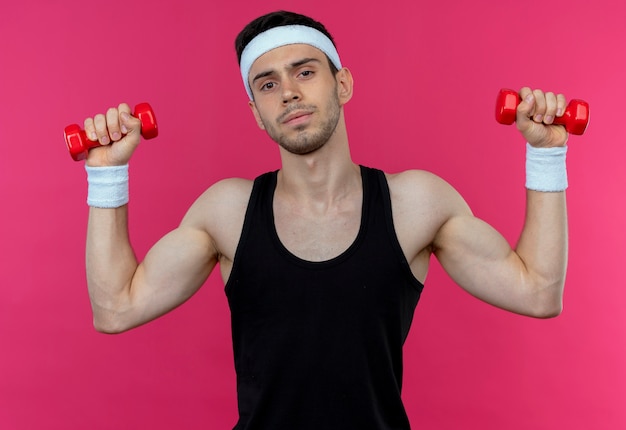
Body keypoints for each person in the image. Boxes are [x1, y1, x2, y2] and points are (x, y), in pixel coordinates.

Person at [81, 10, 570, 430]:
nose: (288, 93)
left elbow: (537, 292)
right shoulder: (227, 212)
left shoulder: (414, 203)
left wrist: (547, 155)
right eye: (268, 84)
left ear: (343, 83)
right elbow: (116, 308)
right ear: (256, 113)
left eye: (305, 72)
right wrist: (107, 175)